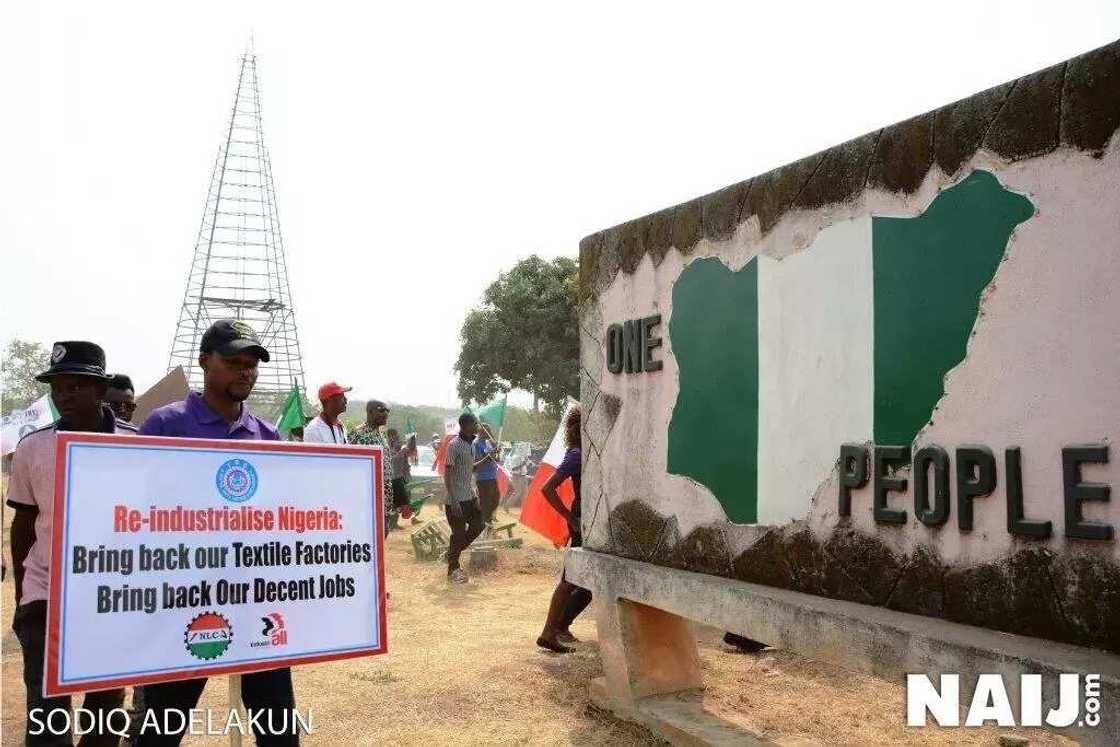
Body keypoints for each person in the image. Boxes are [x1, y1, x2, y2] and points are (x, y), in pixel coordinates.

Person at [137, 320, 299, 746]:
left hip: (255, 603)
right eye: (233, 362)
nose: (245, 371)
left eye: (251, 365)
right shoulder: (164, 426)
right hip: (182, 605)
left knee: (280, 731)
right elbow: (137, 516)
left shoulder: (267, 435)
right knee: (159, 730)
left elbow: (282, 518)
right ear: (204, 361)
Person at [8, 341, 137, 745]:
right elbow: (23, 525)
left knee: (107, 707)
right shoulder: (32, 448)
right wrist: (22, 598)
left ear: (100, 390)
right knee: (47, 713)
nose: (63, 395)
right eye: (57, 387)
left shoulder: (138, 445)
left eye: (74, 386)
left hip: (113, 595)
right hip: (47, 594)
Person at [536, 406, 592, 653]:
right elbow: (547, 488)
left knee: (584, 583)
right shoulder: (577, 454)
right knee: (570, 579)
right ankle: (550, 631)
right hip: (583, 523)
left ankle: (556, 628)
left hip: (588, 522)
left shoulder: (586, 453)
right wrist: (571, 517)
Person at [443, 413, 487, 584]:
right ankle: (453, 569)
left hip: (469, 496)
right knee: (459, 533)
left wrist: (488, 458)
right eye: (475, 423)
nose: (478, 426)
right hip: (456, 500)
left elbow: (470, 469)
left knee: (479, 525)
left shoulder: (471, 445)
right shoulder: (454, 445)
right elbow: (447, 473)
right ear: (466, 425)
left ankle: (451, 554)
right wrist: (453, 499)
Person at [349, 400, 394, 530]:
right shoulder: (358, 434)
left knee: (382, 536)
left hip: (384, 500)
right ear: (370, 412)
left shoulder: (381, 435)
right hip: (367, 500)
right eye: (381, 410)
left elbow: (387, 467)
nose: (385, 413)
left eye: (387, 410)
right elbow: (352, 468)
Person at [387, 428, 417, 522]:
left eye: (395, 435)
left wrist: (413, 439)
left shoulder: (400, 446)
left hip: (400, 479)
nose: (394, 438)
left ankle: (402, 515)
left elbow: (411, 451)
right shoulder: (386, 446)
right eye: (392, 436)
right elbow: (390, 459)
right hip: (391, 480)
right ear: (389, 436)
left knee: (404, 504)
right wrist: (401, 453)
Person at [473, 424, 502, 524]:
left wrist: (497, 452)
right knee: (486, 503)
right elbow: (475, 463)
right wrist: (489, 456)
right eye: (487, 432)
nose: (489, 434)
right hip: (483, 478)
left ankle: (485, 520)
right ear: (481, 432)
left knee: (496, 499)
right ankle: (485, 523)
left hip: (492, 476)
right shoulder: (476, 444)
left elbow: (496, 459)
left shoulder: (488, 443)